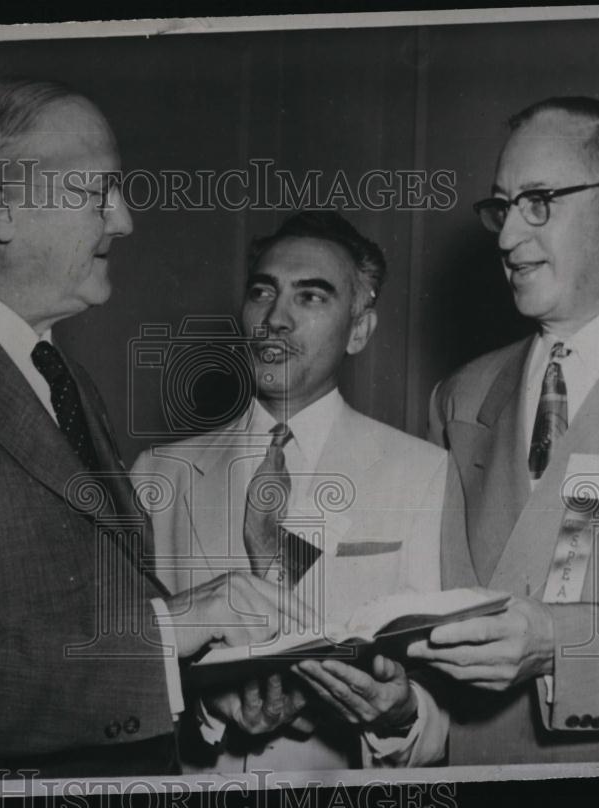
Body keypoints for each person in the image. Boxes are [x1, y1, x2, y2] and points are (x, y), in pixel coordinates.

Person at [0, 77, 296, 780]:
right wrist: (170, 631)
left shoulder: (56, 373)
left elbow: (97, 611)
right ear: (1, 210)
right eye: (95, 193)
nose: (123, 221)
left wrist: (204, 686)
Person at [415, 97, 599, 764]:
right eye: (502, 207)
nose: (508, 237)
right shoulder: (460, 397)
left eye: (539, 201)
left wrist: (559, 643)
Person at [132, 212, 450, 771]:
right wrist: (205, 707)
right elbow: (125, 674)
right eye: (263, 292)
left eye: (311, 297)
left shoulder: (424, 473)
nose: (274, 319)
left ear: (359, 330)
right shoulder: (161, 473)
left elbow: (448, 704)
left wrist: (398, 717)